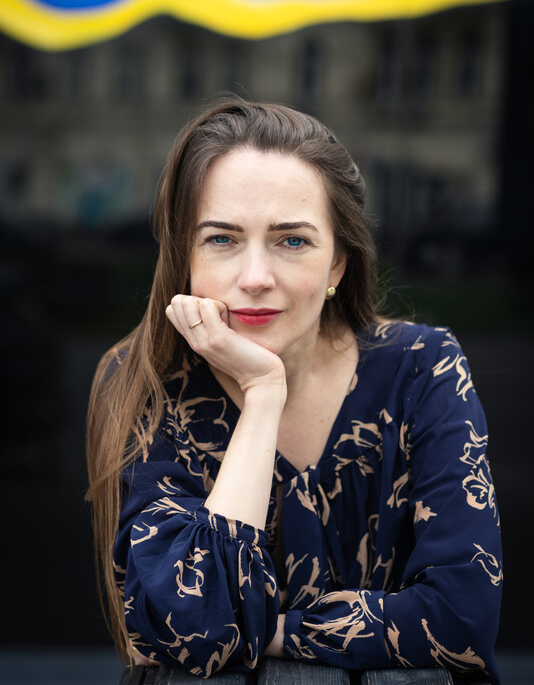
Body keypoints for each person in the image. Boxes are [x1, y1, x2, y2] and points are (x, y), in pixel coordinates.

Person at [86, 98, 502, 683]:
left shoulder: (422, 368)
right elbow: (192, 623)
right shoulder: (145, 380)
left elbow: (462, 618)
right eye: (222, 239)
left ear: (338, 265)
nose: (255, 278)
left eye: (292, 241)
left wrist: (265, 629)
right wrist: (262, 393)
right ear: (185, 256)